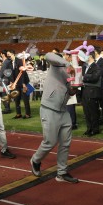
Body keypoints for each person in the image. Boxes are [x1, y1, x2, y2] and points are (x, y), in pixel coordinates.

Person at [29, 52, 79, 183]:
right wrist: (67, 63)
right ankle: (35, 159)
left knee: (65, 143)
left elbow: (71, 91)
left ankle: (61, 173)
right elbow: (48, 55)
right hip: (49, 109)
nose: (71, 58)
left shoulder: (71, 72)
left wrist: (76, 87)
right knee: (50, 141)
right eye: (69, 56)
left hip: (63, 110)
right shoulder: (56, 65)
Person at [81, 49, 101, 136]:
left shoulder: (96, 66)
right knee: (86, 112)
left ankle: (95, 129)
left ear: (90, 56)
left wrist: (84, 77)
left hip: (92, 91)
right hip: (85, 91)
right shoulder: (85, 66)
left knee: (93, 111)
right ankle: (89, 128)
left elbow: (94, 78)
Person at [9, 51, 32, 119]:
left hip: (23, 82)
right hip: (16, 83)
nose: (8, 57)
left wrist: (24, 84)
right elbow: (12, 73)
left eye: (9, 55)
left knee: (25, 99)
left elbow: (23, 73)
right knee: (17, 99)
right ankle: (18, 113)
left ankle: (28, 114)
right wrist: (12, 82)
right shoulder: (11, 63)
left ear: (13, 54)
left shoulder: (19, 61)